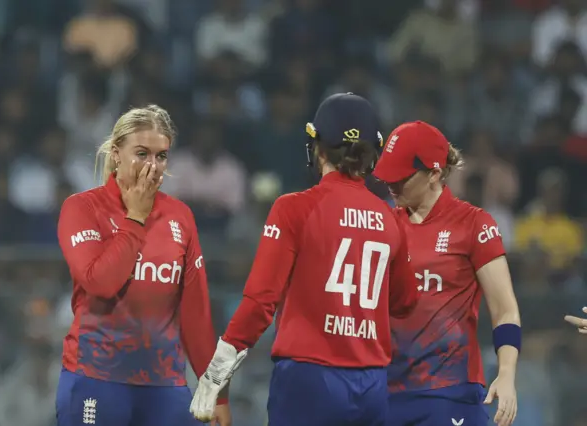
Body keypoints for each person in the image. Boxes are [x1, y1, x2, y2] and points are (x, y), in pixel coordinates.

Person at [190, 93, 420, 426]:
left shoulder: (294, 209)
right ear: (373, 155)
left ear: (318, 147)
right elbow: (405, 303)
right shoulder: (392, 220)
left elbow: (259, 303)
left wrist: (215, 375)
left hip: (309, 380)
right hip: (372, 385)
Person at [55, 105, 231, 426]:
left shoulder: (180, 216)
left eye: (161, 156)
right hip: (96, 379)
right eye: (141, 153)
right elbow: (100, 282)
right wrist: (135, 217)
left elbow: (197, 315)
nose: (152, 165)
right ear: (116, 153)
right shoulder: (82, 208)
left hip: (164, 385)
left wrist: (216, 392)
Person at [372, 121, 521, 426]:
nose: (390, 183)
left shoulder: (474, 224)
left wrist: (506, 376)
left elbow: (505, 310)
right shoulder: (381, 224)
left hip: (450, 392)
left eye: (401, 176)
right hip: (383, 393)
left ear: (434, 173)